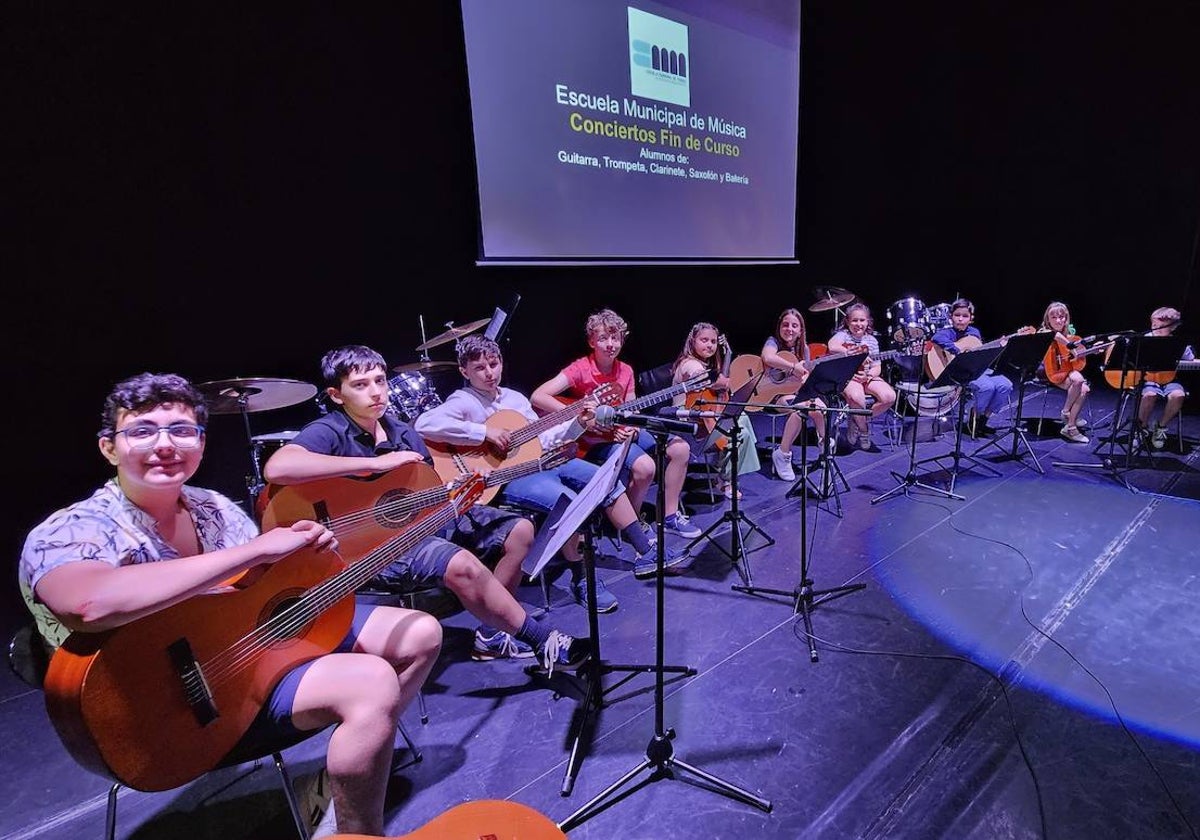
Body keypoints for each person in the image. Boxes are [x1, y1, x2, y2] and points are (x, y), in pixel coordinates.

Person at [18, 372, 441, 838]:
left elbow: (255, 591)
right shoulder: (71, 527)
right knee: (371, 683)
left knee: (421, 633)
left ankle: (350, 769)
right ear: (109, 448)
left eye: (181, 430)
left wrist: (305, 550)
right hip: (169, 706)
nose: (165, 444)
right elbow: (89, 603)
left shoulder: (213, 507)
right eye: (142, 430)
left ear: (200, 443)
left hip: (246, 649)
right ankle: (357, 827)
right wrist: (257, 550)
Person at [263, 345, 598, 669]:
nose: (376, 392)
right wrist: (372, 466)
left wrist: (457, 495)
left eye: (380, 380)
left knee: (519, 530)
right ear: (337, 395)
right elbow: (278, 467)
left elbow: (427, 492)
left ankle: (494, 634)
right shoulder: (330, 430)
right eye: (361, 385)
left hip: (414, 522)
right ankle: (541, 639)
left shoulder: (402, 431)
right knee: (460, 563)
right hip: (367, 544)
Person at [417, 335, 689, 583]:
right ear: (464, 371)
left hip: (539, 463)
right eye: (479, 368)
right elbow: (425, 423)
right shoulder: (463, 400)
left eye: (493, 364)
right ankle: (580, 578)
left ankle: (645, 553)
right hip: (506, 479)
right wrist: (484, 432)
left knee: (603, 479)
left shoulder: (514, 398)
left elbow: (544, 439)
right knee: (569, 502)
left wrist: (579, 423)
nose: (489, 373)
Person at [531, 308, 700, 538]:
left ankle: (669, 516)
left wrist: (631, 427)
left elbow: (631, 408)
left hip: (620, 431)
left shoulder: (626, 370)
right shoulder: (580, 368)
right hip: (593, 440)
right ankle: (632, 522)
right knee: (645, 468)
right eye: (603, 338)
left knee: (681, 449)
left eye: (615, 338)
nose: (610, 344)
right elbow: (538, 396)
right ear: (592, 341)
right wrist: (579, 413)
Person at [670, 322, 760, 497]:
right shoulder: (690, 364)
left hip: (703, 414)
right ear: (692, 341)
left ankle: (729, 465)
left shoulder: (703, 364)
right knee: (739, 435)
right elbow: (697, 376)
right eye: (704, 340)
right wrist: (717, 382)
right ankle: (726, 478)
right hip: (687, 419)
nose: (709, 345)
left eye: (712, 341)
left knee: (743, 419)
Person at [927, 298, 1014, 437]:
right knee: (987, 387)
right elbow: (936, 338)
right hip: (961, 371)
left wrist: (999, 345)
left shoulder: (974, 332)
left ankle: (983, 419)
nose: (960, 319)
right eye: (957, 315)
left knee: (1006, 385)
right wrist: (956, 350)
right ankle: (973, 418)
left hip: (977, 368)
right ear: (951, 317)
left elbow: (979, 350)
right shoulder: (947, 332)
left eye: (965, 316)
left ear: (971, 318)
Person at [760, 307, 829, 481]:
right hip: (772, 395)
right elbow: (768, 358)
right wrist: (792, 367)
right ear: (779, 327)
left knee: (821, 407)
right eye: (785, 325)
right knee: (800, 409)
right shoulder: (773, 341)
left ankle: (824, 446)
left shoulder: (803, 349)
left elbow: (804, 376)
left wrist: (806, 377)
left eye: (794, 326)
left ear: (800, 330)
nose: (789, 329)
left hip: (795, 393)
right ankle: (782, 454)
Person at [827, 302, 897, 450]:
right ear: (847, 321)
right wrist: (857, 354)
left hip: (865, 376)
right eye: (854, 320)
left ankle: (856, 419)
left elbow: (877, 366)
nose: (858, 324)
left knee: (889, 396)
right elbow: (832, 346)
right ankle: (864, 430)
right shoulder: (843, 335)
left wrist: (868, 375)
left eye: (862, 320)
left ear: (868, 321)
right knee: (856, 398)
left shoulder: (871, 340)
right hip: (847, 377)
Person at [1136, 306, 1194, 449]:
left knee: (1178, 395)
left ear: (1173, 327)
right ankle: (1141, 428)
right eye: (1154, 325)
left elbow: (1190, 359)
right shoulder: (1145, 339)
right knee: (1149, 394)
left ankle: (1160, 427)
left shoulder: (1177, 343)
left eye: (1162, 327)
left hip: (1170, 379)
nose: (1156, 329)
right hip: (1149, 378)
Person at [1040, 301, 1091, 443]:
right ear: (1047, 319)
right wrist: (1071, 347)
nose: (1058, 320)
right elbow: (1054, 336)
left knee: (1084, 389)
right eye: (1054, 317)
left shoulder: (1070, 335)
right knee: (1079, 382)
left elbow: (1075, 362)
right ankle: (1067, 415)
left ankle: (1069, 425)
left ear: (1066, 318)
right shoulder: (1044, 332)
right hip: (1048, 372)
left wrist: (1088, 351)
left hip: (1066, 371)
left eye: (1061, 317)